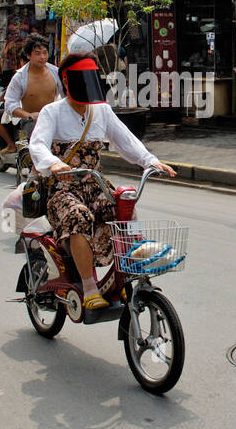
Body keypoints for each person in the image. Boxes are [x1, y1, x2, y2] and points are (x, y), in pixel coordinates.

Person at [28, 52, 176, 310]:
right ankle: (88, 287)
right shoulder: (52, 112)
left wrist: (150, 161)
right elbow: (38, 144)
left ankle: (124, 278)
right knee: (79, 216)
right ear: (67, 80)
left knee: (122, 210)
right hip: (63, 188)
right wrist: (54, 163)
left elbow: (126, 140)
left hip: (95, 185)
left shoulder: (102, 110)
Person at [0, 34, 61, 153]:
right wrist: (29, 116)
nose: (42, 57)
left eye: (45, 52)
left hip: (54, 120)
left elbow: (66, 96)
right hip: (31, 123)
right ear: (28, 55)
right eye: (37, 53)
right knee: (38, 155)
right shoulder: (19, 77)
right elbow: (10, 105)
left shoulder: (56, 73)